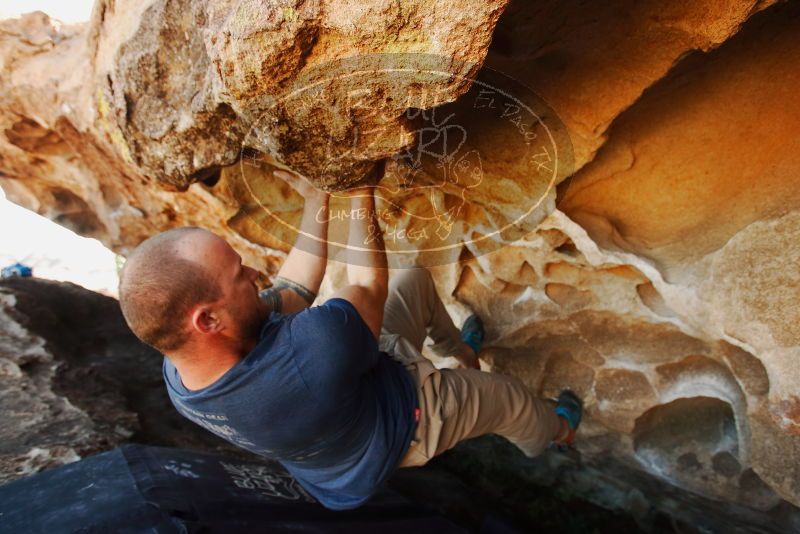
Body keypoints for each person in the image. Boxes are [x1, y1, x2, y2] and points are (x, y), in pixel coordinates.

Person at [118, 163, 582, 510]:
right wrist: (360, 186)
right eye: (240, 275)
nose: (257, 273)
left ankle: (458, 353)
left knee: (414, 283)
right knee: (511, 399)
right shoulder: (311, 354)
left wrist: (320, 193)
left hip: (344, 412)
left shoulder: (183, 368)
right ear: (209, 320)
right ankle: (558, 434)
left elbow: (294, 290)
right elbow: (367, 287)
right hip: (404, 423)